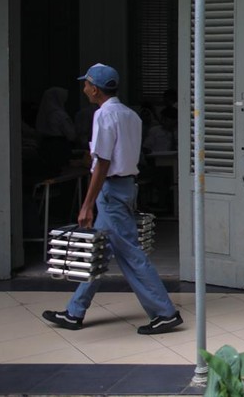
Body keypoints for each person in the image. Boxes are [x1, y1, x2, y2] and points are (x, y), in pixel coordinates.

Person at [42, 63, 182, 335]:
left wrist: (86, 205)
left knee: (130, 255)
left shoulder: (103, 116)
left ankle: (165, 313)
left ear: (95, 88)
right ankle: (74, 311)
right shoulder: (131, 115)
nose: (84, 89)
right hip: (127, 186)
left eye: (86, 85)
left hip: (112, 190)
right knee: (101, 251)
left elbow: (103, 163)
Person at [35, 86, 77, 174]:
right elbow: (71, 135)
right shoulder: (60, 115)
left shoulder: (44, 114)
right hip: (59, 148)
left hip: (44, 146)